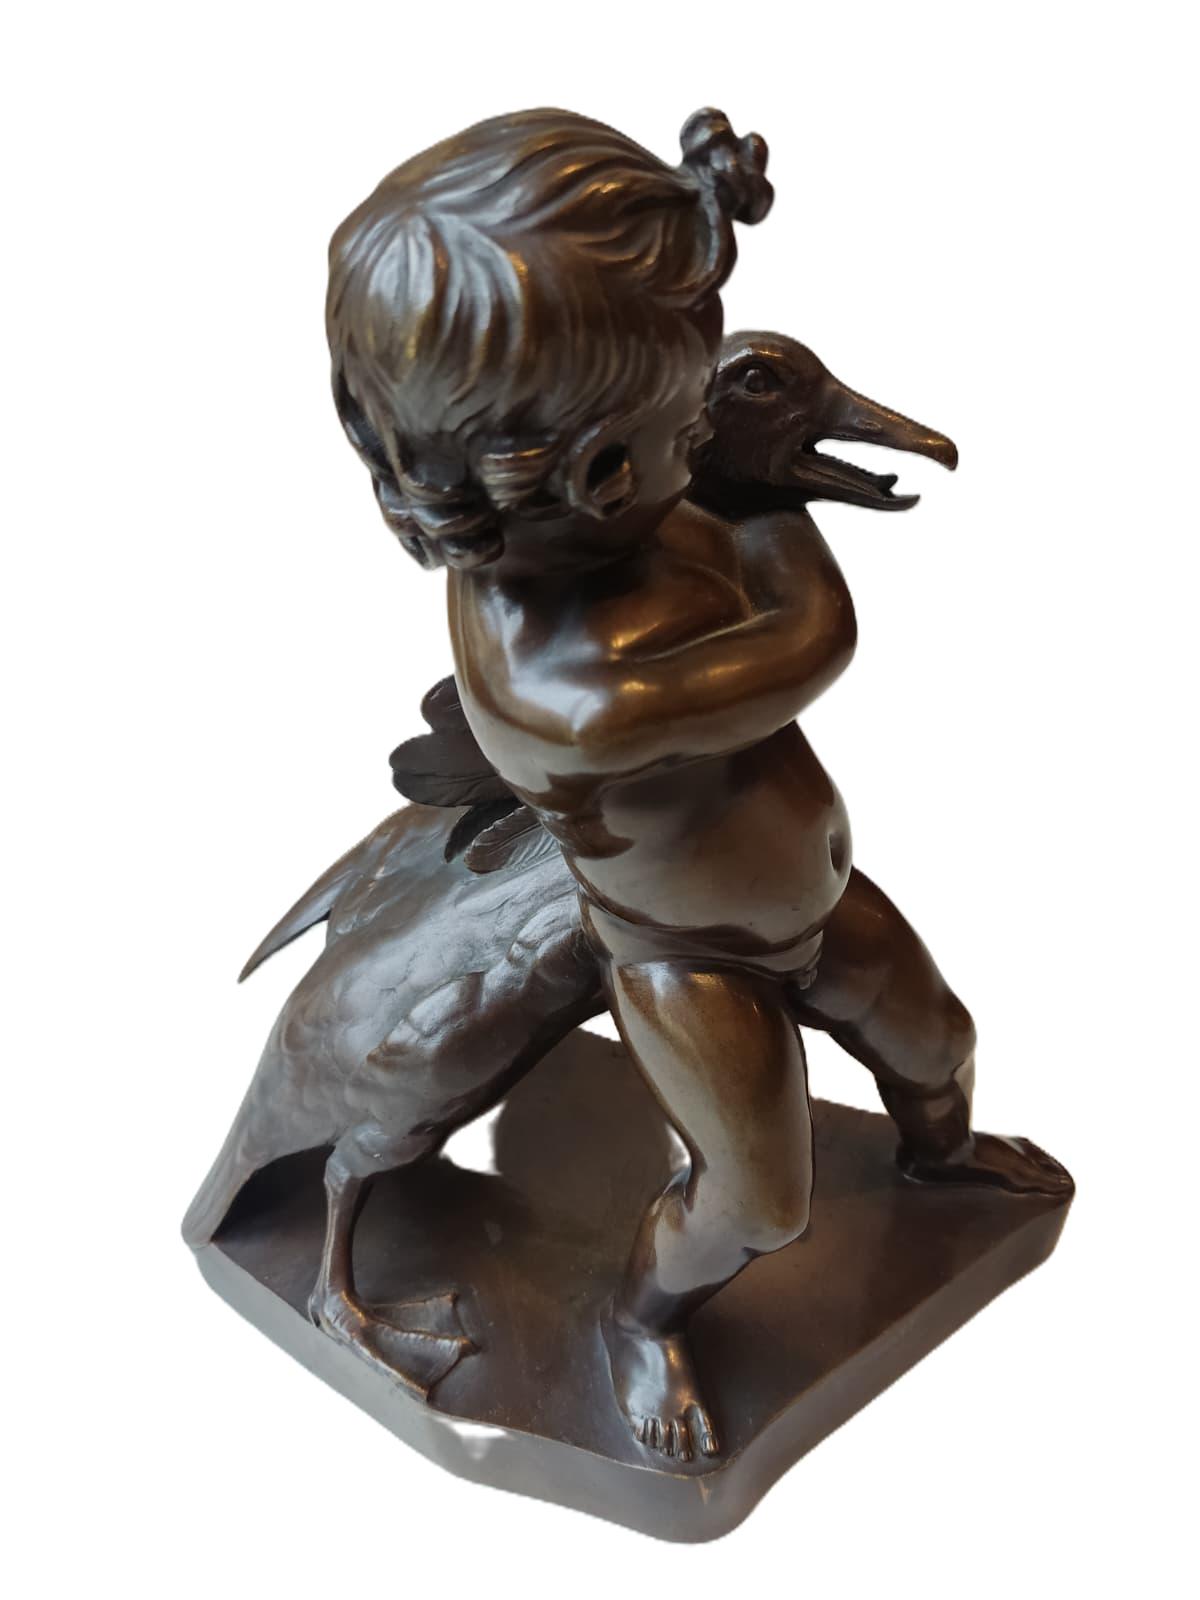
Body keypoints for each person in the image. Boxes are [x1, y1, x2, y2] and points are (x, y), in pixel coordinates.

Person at [326, 107, 1069, 1462]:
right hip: (689, 959)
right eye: (685, 424)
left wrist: (726, 444)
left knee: (939, 1046)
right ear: (601, 470)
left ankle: (942, 1155)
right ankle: (643, 1322)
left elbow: (721, 475)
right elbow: (811, 639)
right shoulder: (561, 694)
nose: (703, 437)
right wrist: (767, 490)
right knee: (757, 1203)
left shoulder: (619, 518)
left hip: (812, 900)